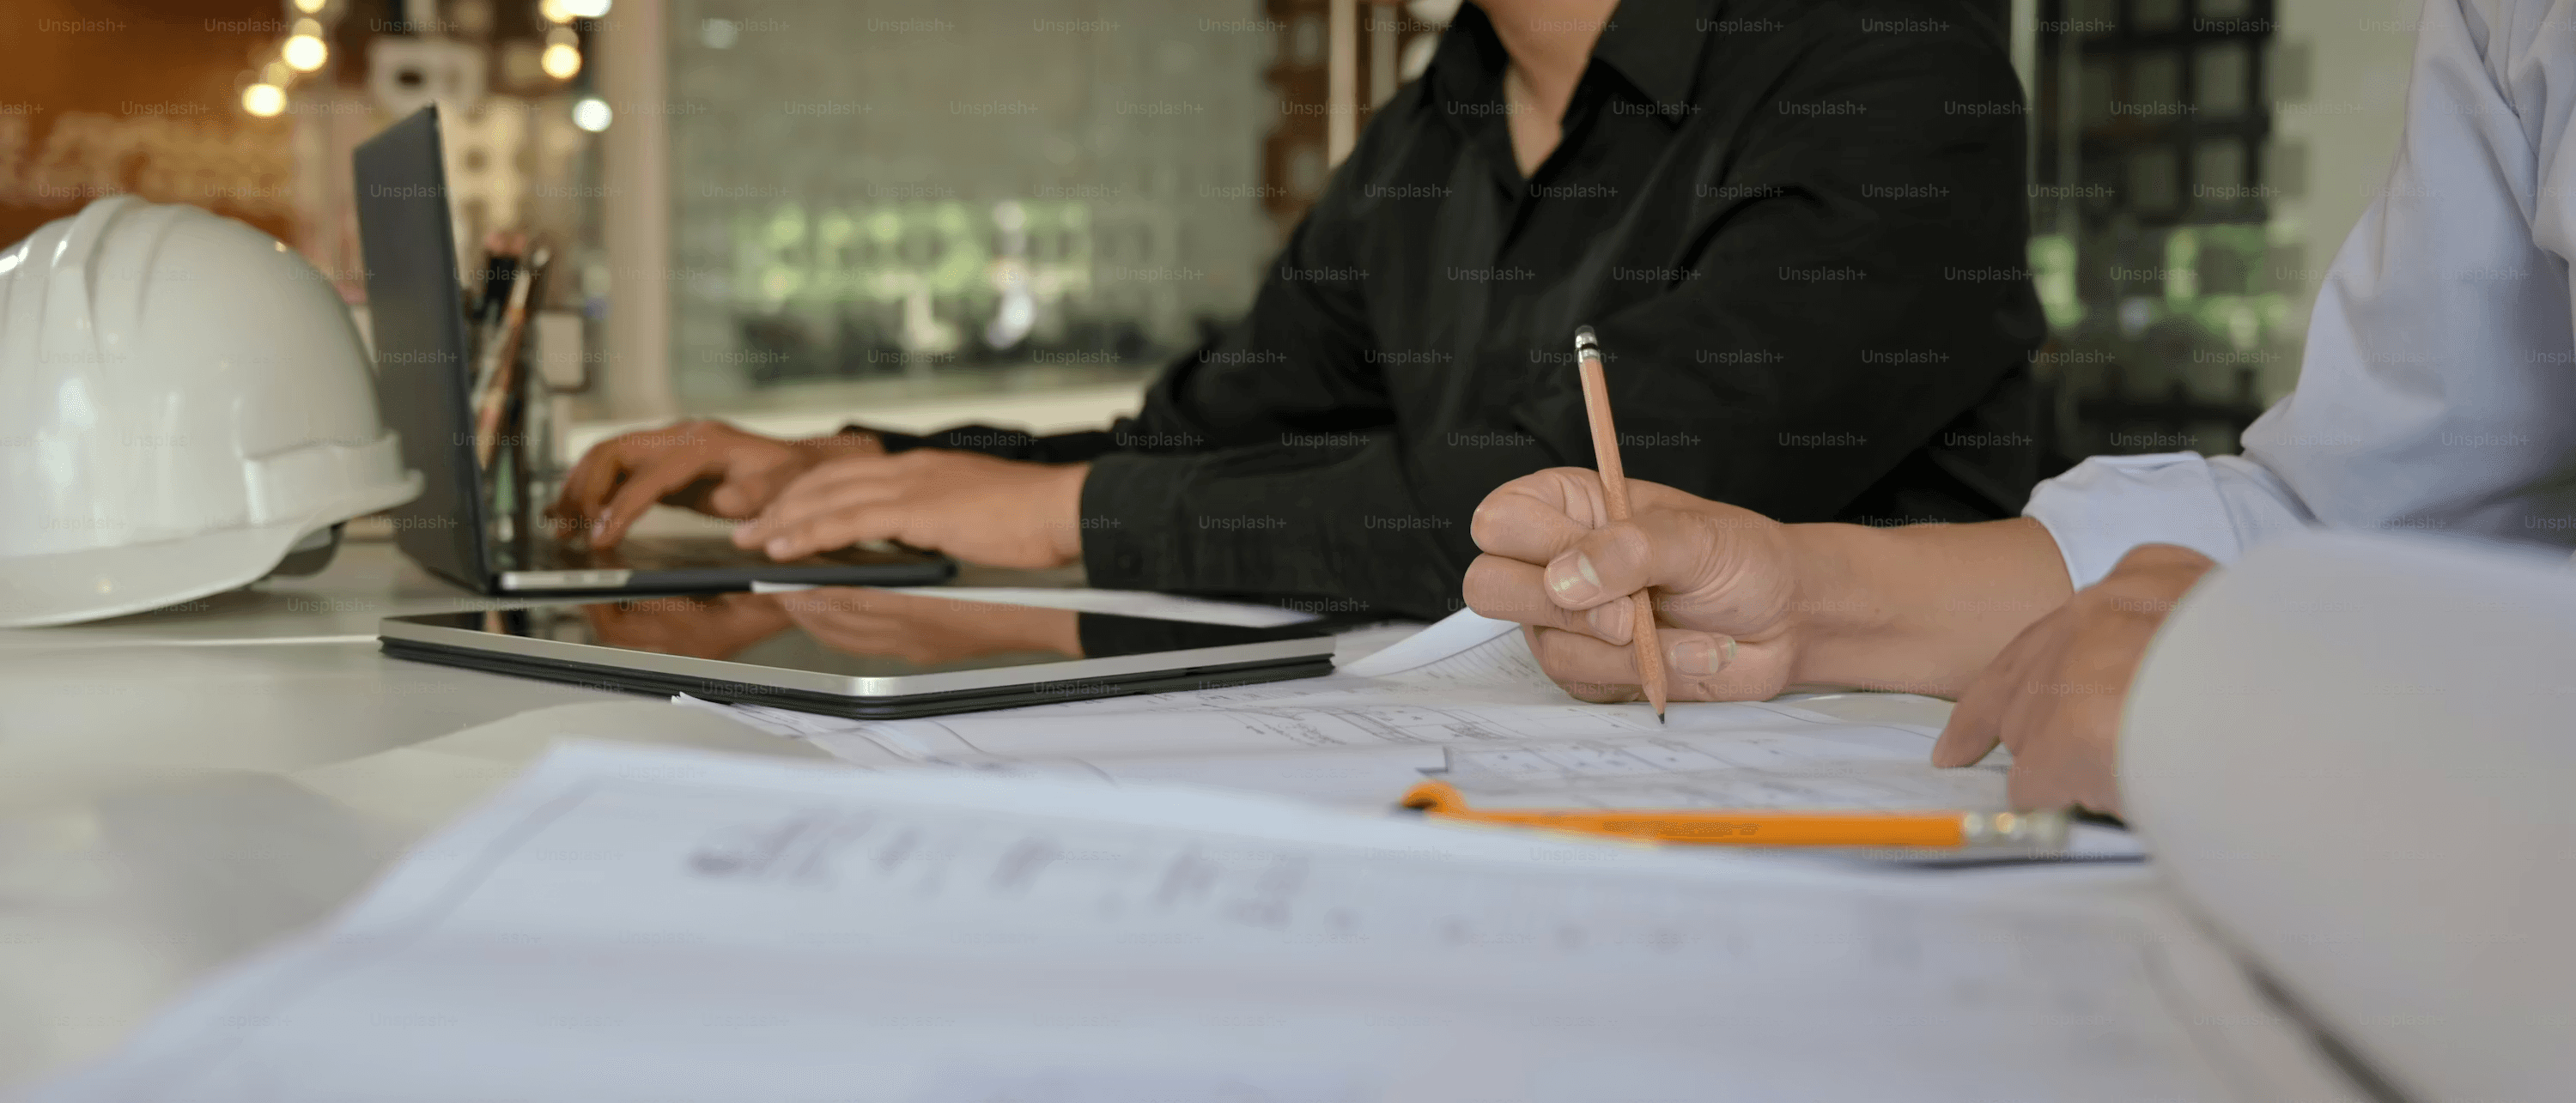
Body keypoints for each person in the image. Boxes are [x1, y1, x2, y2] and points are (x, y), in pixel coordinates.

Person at [553, 0, 2044, 621]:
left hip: (1843, 801)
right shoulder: (1432, 128)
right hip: (1468, 768)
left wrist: (1068, 512)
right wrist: (865, 468)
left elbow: (1577, 503)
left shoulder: (1889, 70)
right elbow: (1202, 440)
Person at [1463, 0, 2576, 813]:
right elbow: (2355, 526)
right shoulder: (2509, 19)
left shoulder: (1884, 70)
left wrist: (2321, 717)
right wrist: (1798, 602)